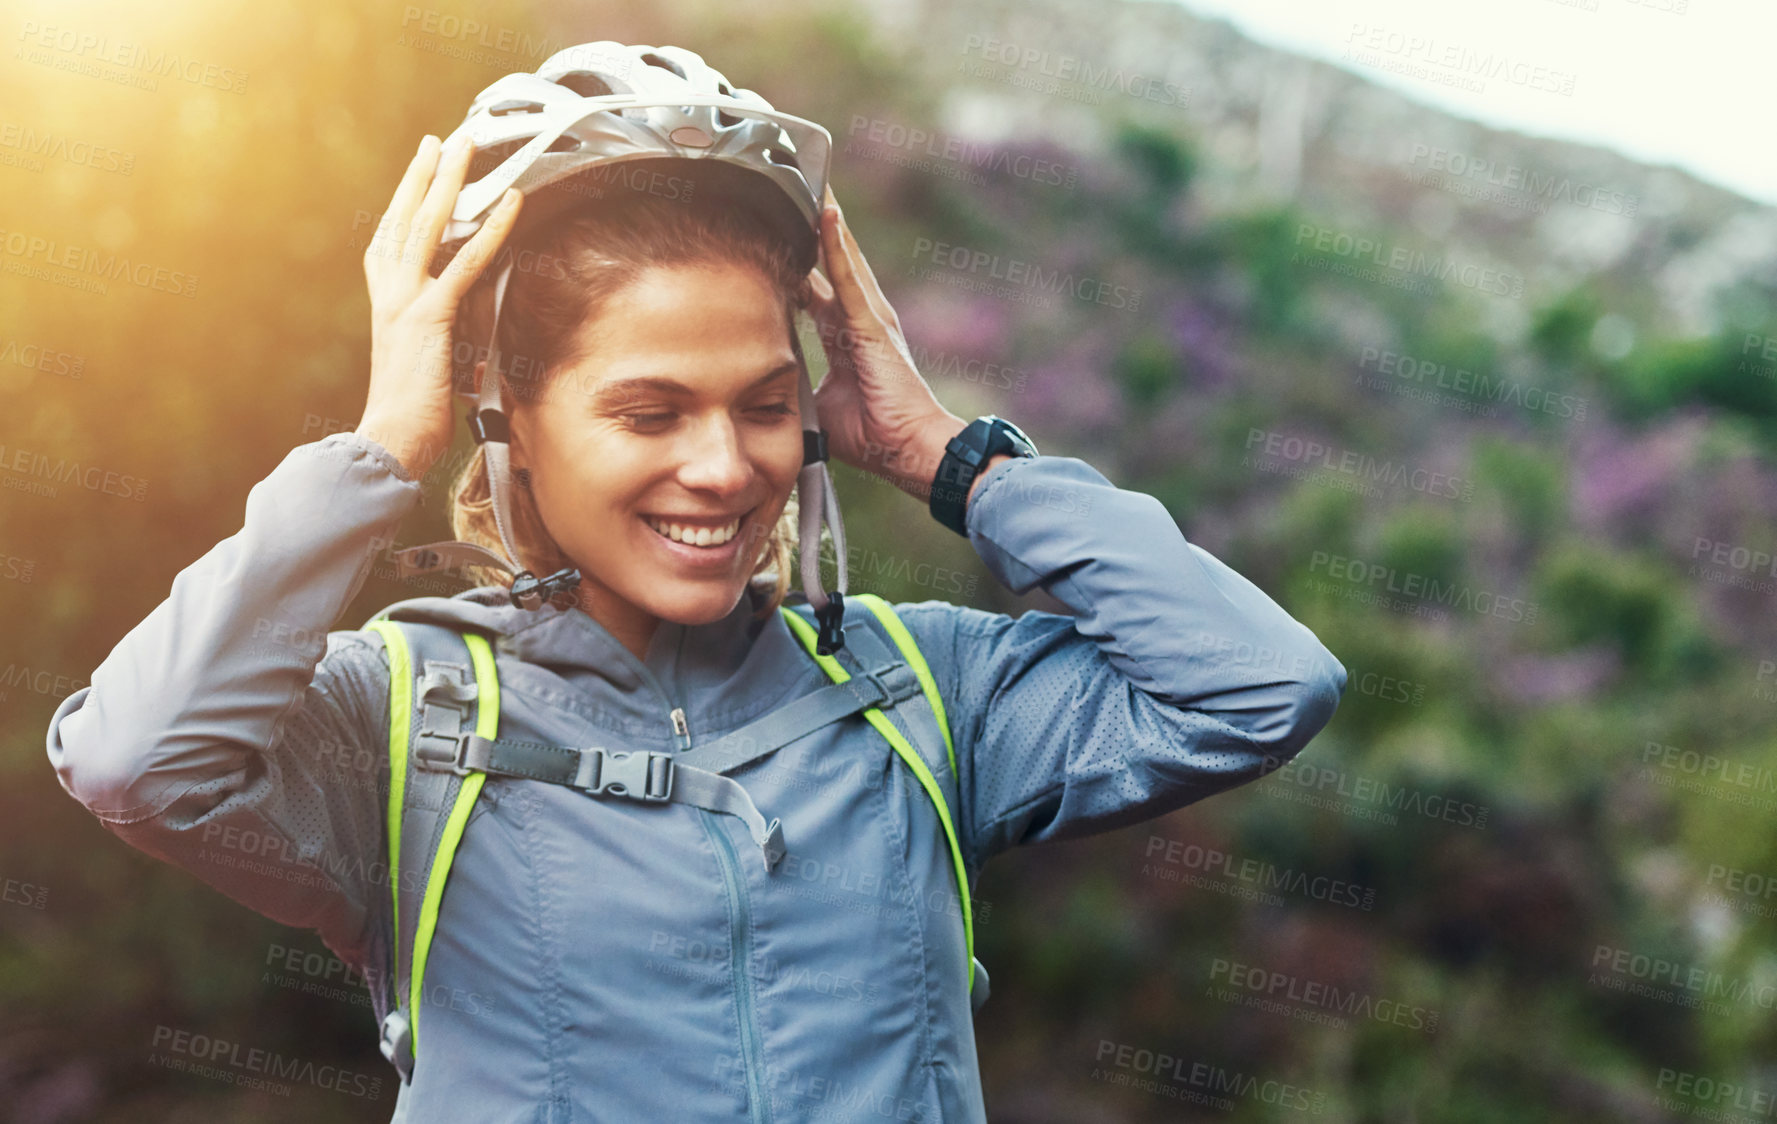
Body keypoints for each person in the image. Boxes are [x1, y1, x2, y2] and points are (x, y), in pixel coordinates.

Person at [44, 41, 1346, 1123]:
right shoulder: (400, 719)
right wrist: (381, 448)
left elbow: (1260, 688)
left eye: (766, 405)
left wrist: (947, 455)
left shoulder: (920, 690)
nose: (723, 468)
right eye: (650, 411)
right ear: (511, 417)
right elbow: (133, 762)